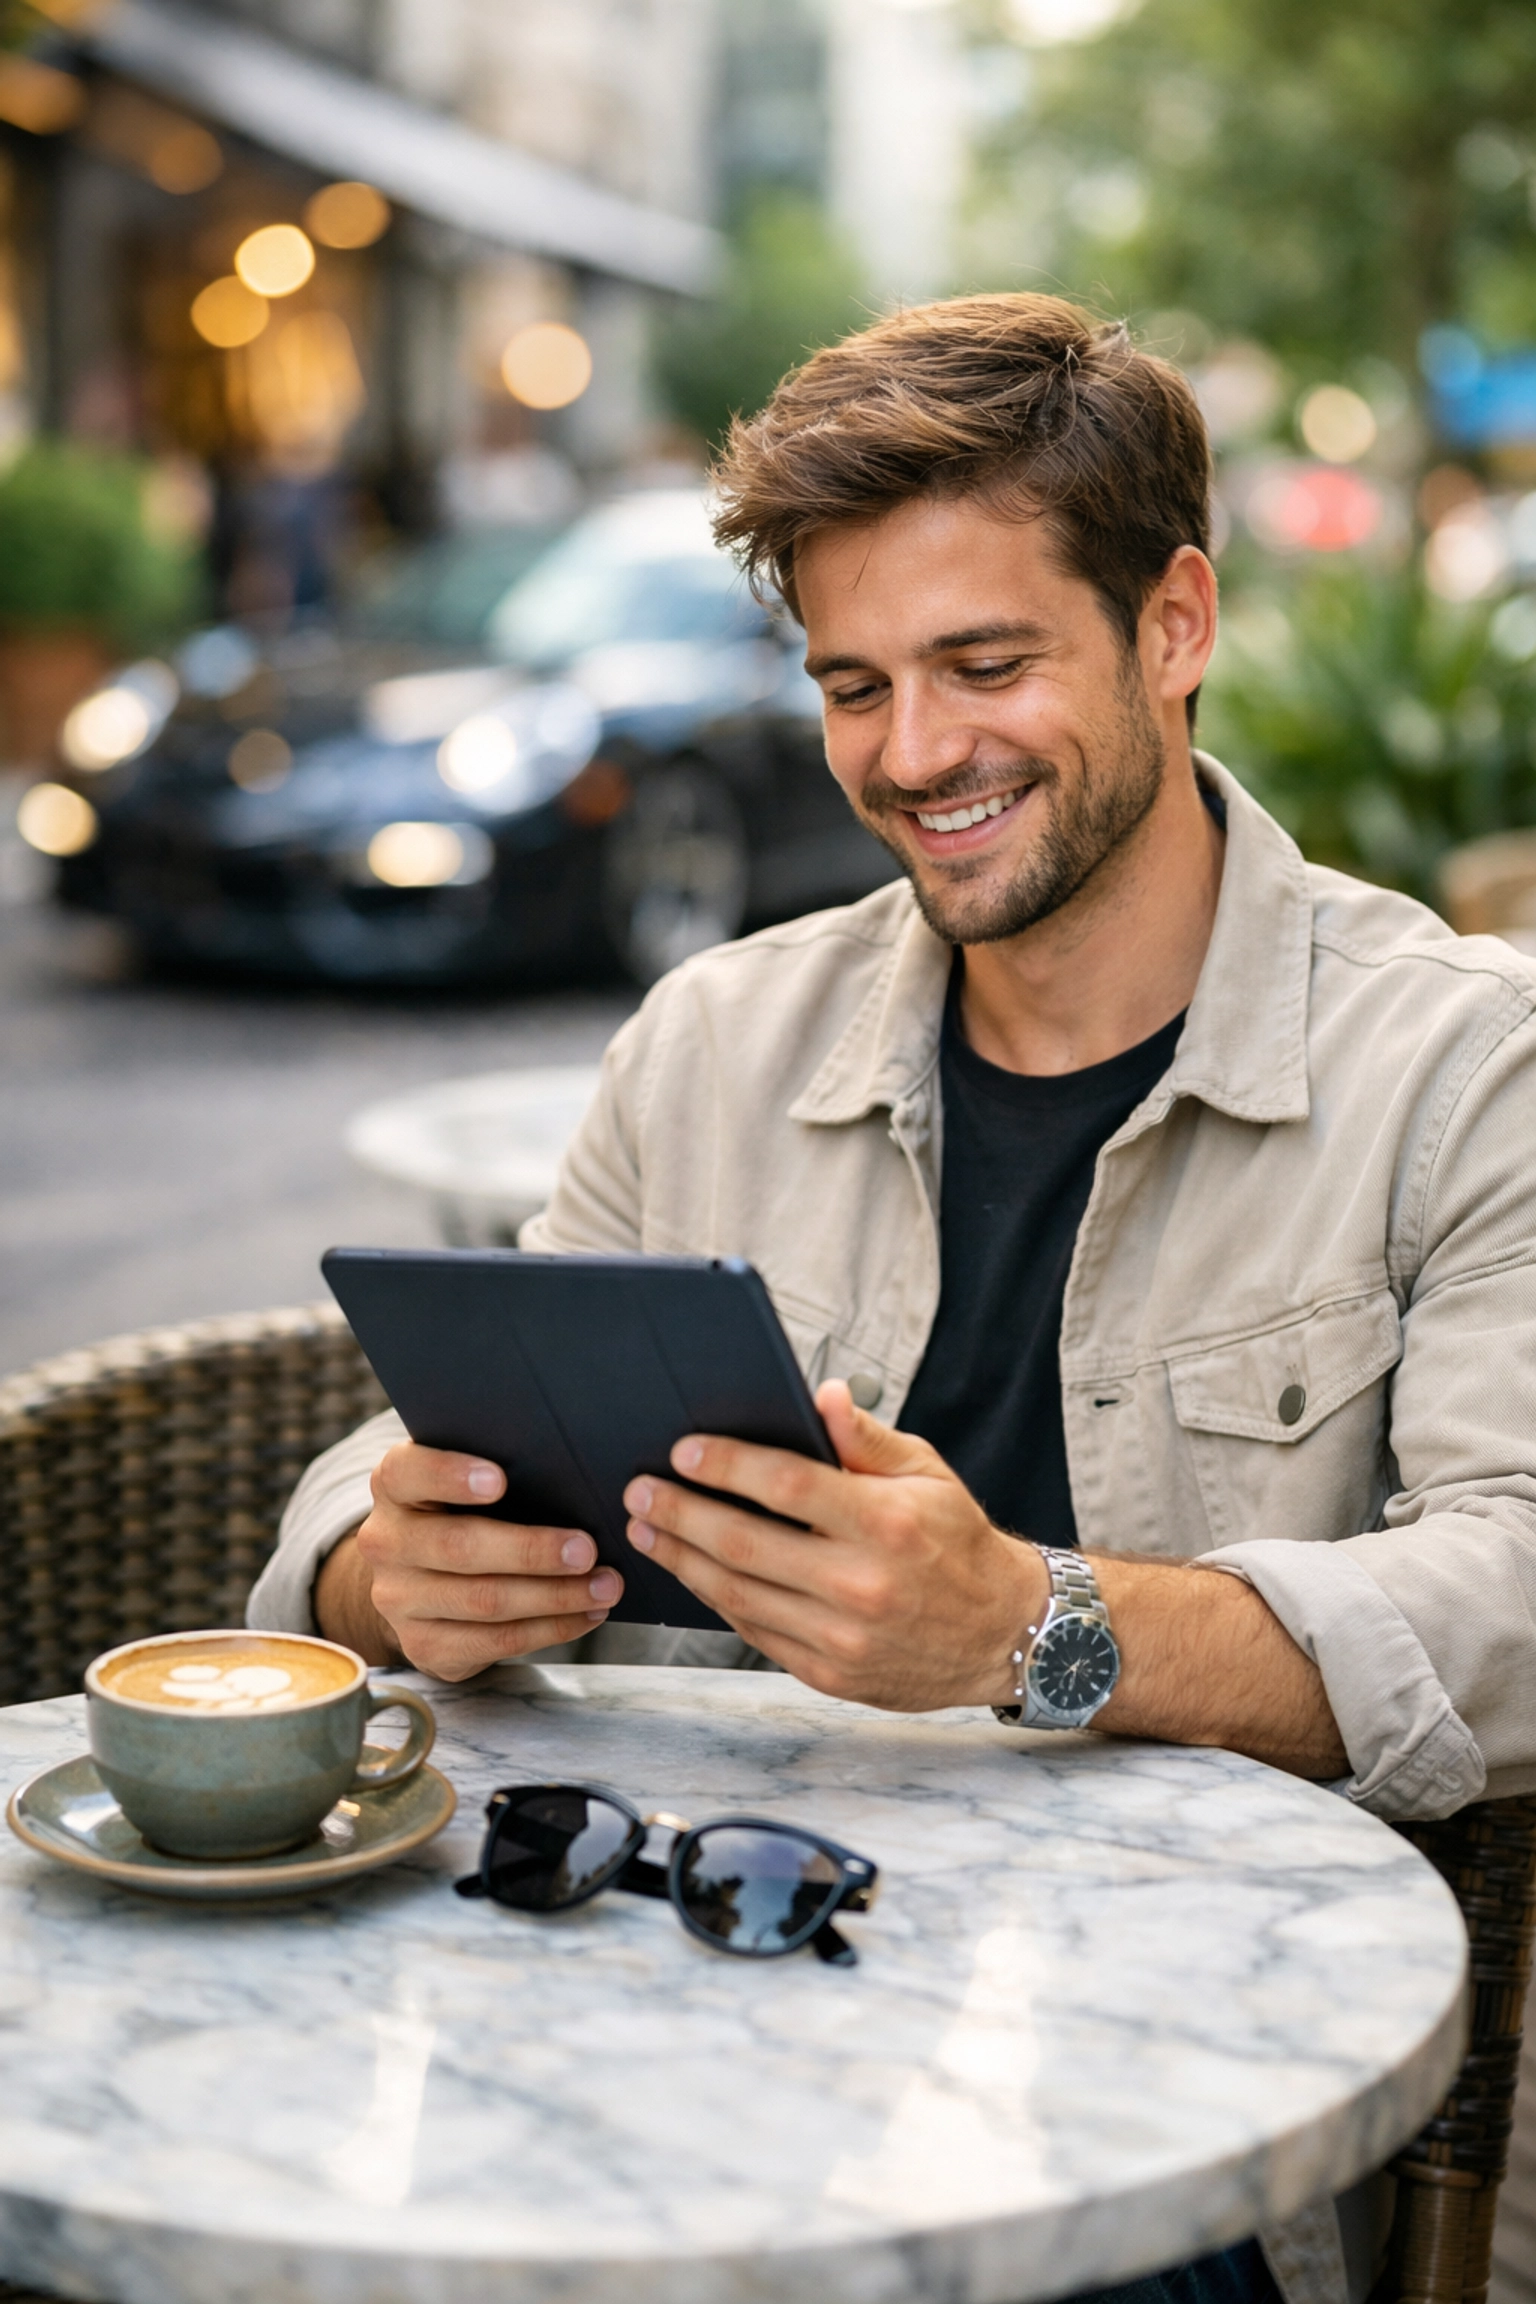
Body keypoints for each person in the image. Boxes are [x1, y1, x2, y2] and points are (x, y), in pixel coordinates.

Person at [251, 295, 1536, 2304]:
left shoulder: (1465, 1065)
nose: (915, 755)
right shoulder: (713, 1043)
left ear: (1175, 626)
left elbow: (1522, 1597)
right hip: (671, 2036)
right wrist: (382, 1578)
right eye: (854, 684)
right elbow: (413, 1455)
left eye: (985, 664)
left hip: (1173, 2114)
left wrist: (1036, 1629)